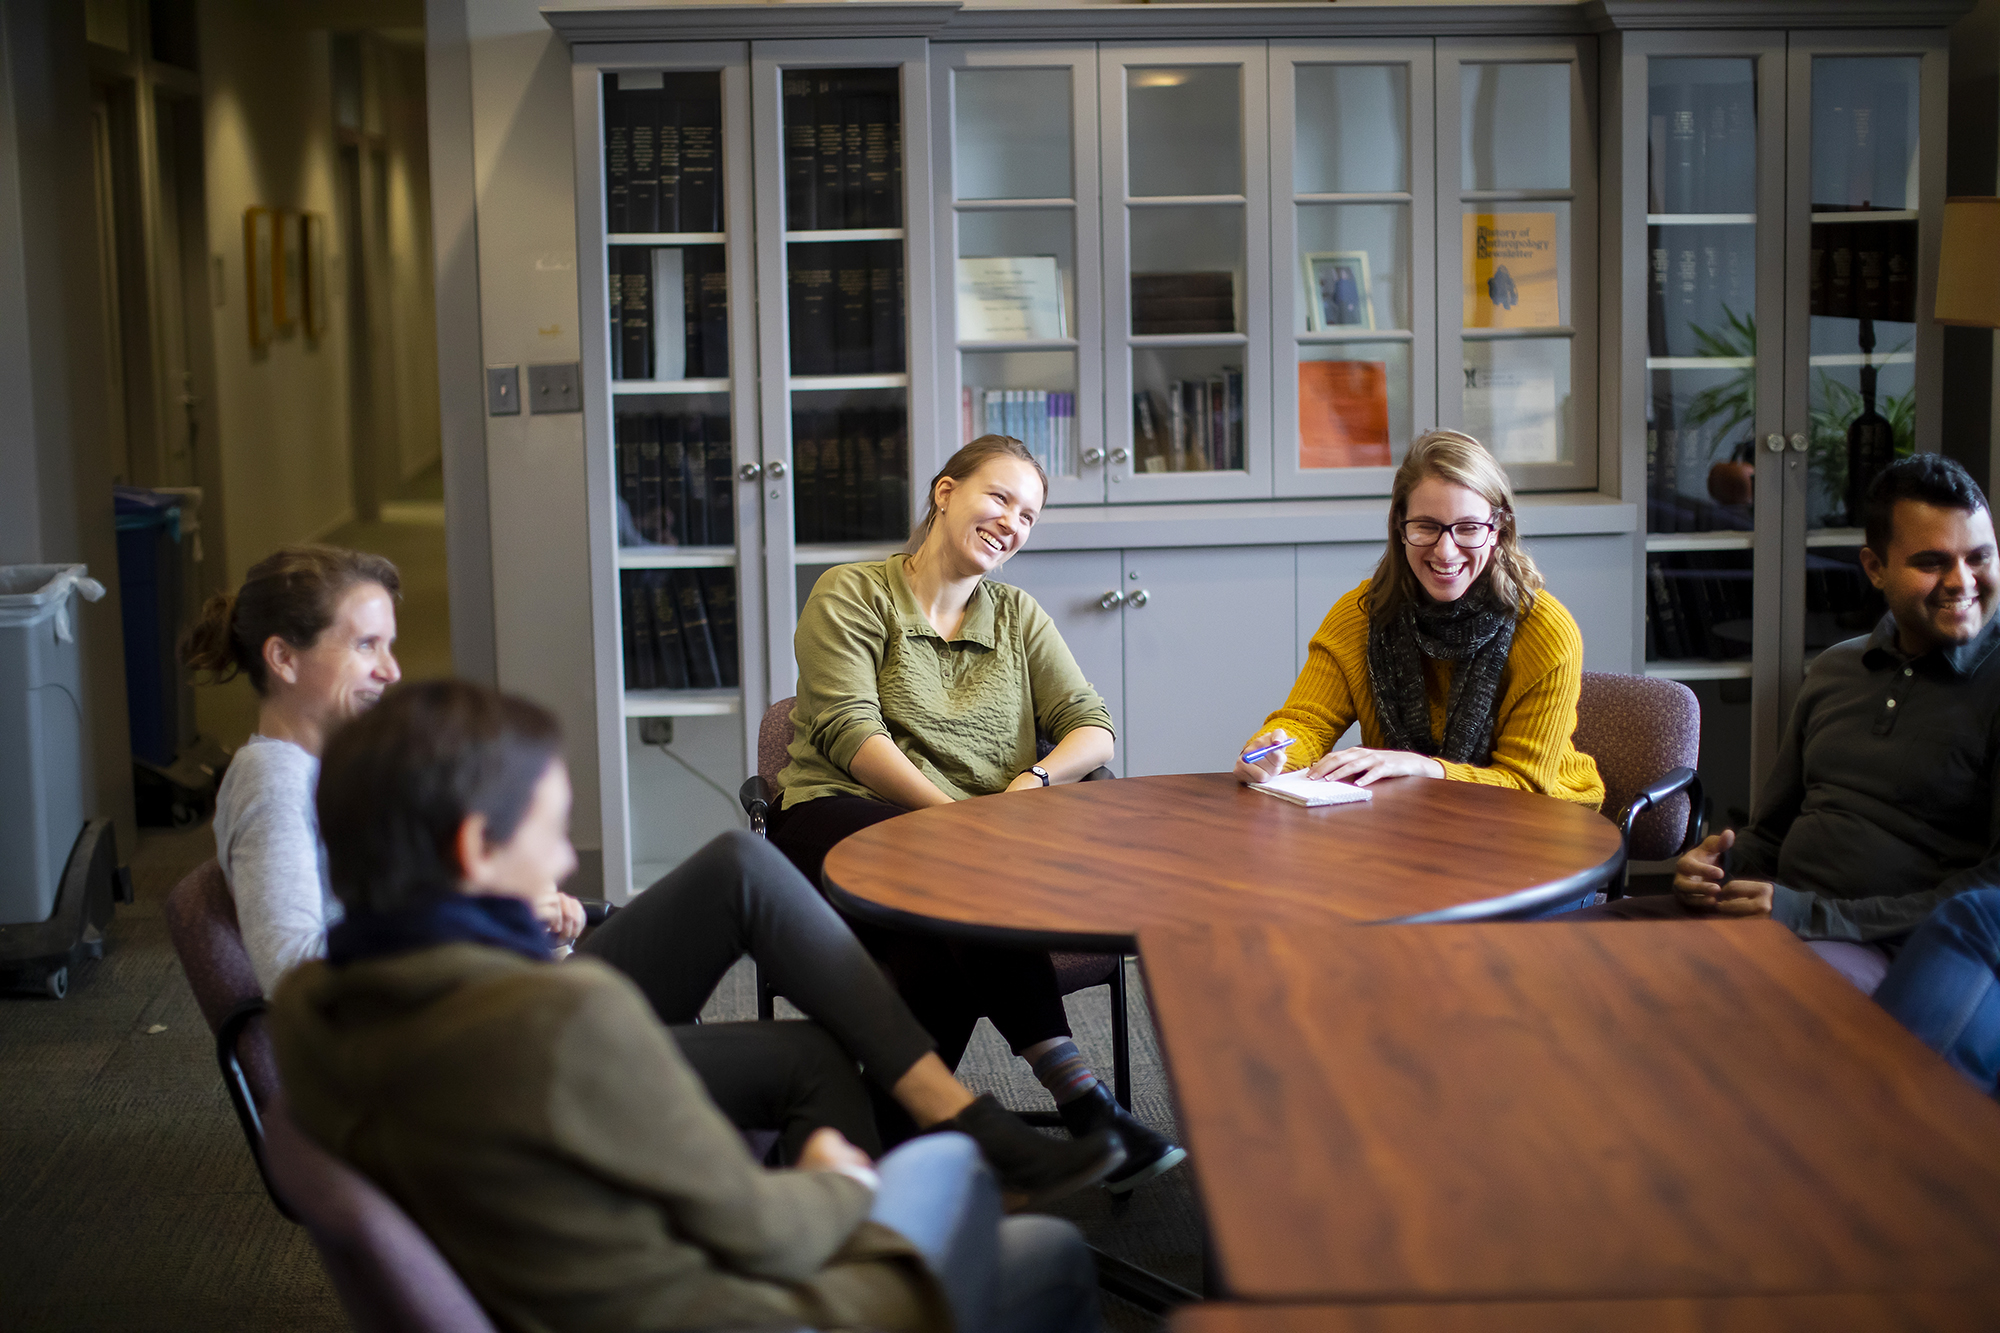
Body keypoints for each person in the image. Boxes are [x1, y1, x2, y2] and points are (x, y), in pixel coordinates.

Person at [184, 544, 1120, 1205]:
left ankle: (930, 1141)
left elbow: (390, 902)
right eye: (366, 646)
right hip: (490, 1037)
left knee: (740, 867)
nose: (392, 670)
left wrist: (501, 903)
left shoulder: (335, 763)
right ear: (283, 656)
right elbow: (300, 975)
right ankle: (886, 1212)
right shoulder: (272, 782)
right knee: (809, 1051)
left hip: (519, 988)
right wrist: (481, 916)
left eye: (390, 643)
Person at [271, 680, 1100, 1333]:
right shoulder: (559, 1021)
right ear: (471, 847)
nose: (565, 857)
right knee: (1021, 1224)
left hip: (577, 1278)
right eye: (554, 832)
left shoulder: (315, 1009)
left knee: (835, 1079)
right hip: (745, 1310)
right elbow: (756, 1231)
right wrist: (836, 1186)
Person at [769, 434, 1186, 1193]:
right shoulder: (852, 591)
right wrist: (959, 827)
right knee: (959, 887)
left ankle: (869, 1145)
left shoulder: (1018, 615)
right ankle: (1085, 1100)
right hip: (838, 822)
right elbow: (852, 734)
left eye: (1027, 515)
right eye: (998, 497)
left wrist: (1033, 778)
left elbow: (1093, 726)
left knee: (945, 932)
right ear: (944, 492)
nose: (1011, 522)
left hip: (976, 850)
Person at [1660, 453, 2000, 989]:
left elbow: (1993, 893)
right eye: (1932, 562)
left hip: (1893, 947)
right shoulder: (1836, 670)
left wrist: (1813, 916)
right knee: (1576, 954)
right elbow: (1769, 834)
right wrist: (1715, 867)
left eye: (1979, 557)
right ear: (1875, 568)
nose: (1963, 581)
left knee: (1708, 997)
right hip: (1775, 917)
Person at [1234, 429, 1603, 807]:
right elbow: (1306, 725)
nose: (1446, 551)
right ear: (1400, 527)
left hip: (1544, 827)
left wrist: (1426, 768)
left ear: (1498, 530)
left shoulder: (1546, 630)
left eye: (1468, 528)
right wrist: (1274, 750)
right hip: (1413, 818)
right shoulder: (1361, 613)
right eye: (1426, 526)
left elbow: (1526, 787)